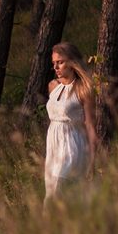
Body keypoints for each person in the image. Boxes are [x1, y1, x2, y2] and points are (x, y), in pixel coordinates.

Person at [44, 42, 98, 206]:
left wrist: (93, 159)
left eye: (60, 62)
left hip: (72, 145)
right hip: (53, 145)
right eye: (54, 63)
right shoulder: (53, 87)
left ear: (72, 62)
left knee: (57, 193)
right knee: (54, 193)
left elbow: (89, 124)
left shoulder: (83, 89)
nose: (56, 67)